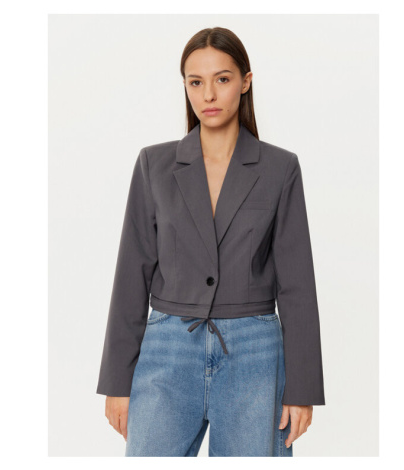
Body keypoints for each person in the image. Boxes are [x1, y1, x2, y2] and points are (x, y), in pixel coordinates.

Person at [96, 26, 325, 457]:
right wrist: (117, 382)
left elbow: (297, 284)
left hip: (254, 354)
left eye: (222, 79)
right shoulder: (154, 165)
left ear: (245, 81)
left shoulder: (280, 168)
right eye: (195, 82)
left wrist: (302, 388)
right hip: (167, 350)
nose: (209, 95)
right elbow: (131, 273)